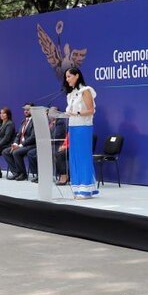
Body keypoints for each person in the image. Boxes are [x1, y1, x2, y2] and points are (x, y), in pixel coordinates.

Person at [64, 67, 98, 199]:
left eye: (69, 76)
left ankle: (86, 188)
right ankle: (77, 187)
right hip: (73, 126)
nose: (67, 80)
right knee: (75, 157)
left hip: (83, 127)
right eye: (66, 77)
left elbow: (91, 110)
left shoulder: (86, 90)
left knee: (83, 156)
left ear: (77, 76)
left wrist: (77, 113)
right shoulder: (71, 94)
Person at [3, 104, 36, 181]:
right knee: (5, 152)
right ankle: (16, 172)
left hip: (31, 145)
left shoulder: (35, 121)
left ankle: (23, 174)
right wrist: (15, 144)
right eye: (25, 109)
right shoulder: (23, 121)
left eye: (28, 109)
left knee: (16, 152)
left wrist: (20, 145)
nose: (26, 111)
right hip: (21, 145)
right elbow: (18, 135)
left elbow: (33, 137)